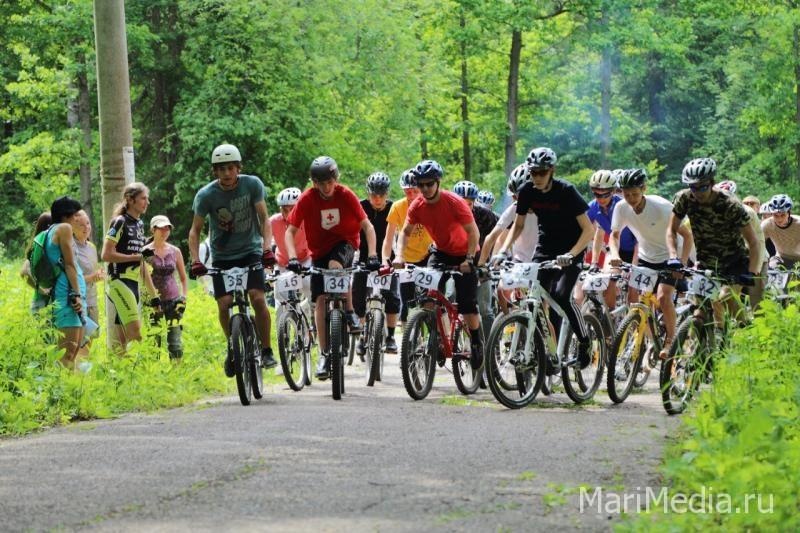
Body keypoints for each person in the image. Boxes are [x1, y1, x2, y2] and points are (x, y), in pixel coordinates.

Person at [493, 147, 594, 369]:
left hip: (572, 249)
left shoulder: (566, 191)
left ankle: (585, 342)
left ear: (552, 171)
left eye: (542, 172)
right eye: (533, 172)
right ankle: (544, 351)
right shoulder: (527, 191)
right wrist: (503, 251)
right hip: (545, 248)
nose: (537, 177)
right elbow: (518, 225)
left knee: (561, 296)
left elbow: (589, 230)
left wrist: (571, 254)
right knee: (534, 299)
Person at [285, 156, 379, 380]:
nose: (326, 187)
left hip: (345, 243)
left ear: (336, 179)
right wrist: (292, 257)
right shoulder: (307, 198)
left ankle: (349, 311)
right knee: (319, 300)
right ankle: (324, 353)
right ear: (314, 183)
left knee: (336, 266)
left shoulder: (346, 195)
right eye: (321, 183)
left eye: (330, 182)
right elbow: (290, 231)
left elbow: (367, 226)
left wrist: (373, 254)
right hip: (318, 251)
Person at [188, 143, 277, 376]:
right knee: (224, 303)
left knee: (257, 298)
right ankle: (232, 346)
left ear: (238, 168)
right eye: (221, 169)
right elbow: (195, 231)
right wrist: (196, 260)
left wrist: (267, 248)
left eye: (230, 168)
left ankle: (266, 349)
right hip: (222, 256)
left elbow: (264, 218)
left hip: (250, 251)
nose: (226, 173)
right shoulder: (206, 195)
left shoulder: (252, 185)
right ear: (215, 171)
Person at [394, 160, 484, 369]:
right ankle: (438, 338)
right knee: (429, 298)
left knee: (467, 304)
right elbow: (405, 232)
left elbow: (473, 232)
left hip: (465, 253)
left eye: (429, 184)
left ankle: (476, 341)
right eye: (421, 184)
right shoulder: (418, 205)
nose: (425, 189)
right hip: (441, 251)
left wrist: (469, 259)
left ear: (438, 182)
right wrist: (399, 256)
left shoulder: (454, 202)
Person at [609, 168, 693, 358]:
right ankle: (648, 340)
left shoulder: (662, 207)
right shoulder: (621, 207)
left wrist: (681, 263)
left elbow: (687, 236)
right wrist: (614, 253)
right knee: (639, 301)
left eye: (635, 194)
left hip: (670, 256)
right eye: (626, 194)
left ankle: (671, 341)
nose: (631, 198)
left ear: (644, 189)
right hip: (646, 256)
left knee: (663, 297)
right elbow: (614, 235)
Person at [666, 158, 760, 326]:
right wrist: (674, 257)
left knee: (725, 296)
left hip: (734, 262)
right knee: (699, 312)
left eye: (702, 187)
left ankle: (747, 330)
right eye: (693, 187)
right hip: (706, 262)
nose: (698, 193)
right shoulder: (684, 198)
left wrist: (751, 272)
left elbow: (753, 241)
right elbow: (671, 230)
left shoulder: (730, 204)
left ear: (712, 182)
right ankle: (705, 339)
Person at [102, 182, 158, 354]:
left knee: (121, 343)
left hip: (134, 283)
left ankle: (118, 370)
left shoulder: (139, 224)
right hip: (119, 281)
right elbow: (106, 254)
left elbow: (141, 263)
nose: (147, 202)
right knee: (136, 335)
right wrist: (136, 257)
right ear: (130, 199)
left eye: (147, 199)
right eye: (143, 198)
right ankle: (146, 368)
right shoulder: (120, 222)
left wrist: (154, 296)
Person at [478, 165, 538, 314]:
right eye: (514, 196)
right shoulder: (515, 208)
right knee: (501, 290)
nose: (516, 200)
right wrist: (482, 265)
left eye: (519, 196)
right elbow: (492, 237)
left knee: (539, 309)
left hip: (541, 259)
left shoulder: (546, 208)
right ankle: (511, 321)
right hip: (520, 260)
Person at [352, 172, 401, 354]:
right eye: (374, 195)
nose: (378, 199)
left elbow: (402, 233)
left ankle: (390, 336)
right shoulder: (360, 207)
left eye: (382, 195)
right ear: (368, 193)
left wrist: (399, 257)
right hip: (363, 257)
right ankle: (363, 333)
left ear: (387, 193)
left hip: (387, 258)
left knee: (392, 297)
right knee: (358, 294)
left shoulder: (393, 208)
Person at [582, 169, 637, 309]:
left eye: (605, 194)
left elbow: (639, 239)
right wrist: (594, 263)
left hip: (637, 249)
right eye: (596, 194)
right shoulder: (592, 207)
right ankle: (609, 317)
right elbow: (592, 234)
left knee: (633, 290)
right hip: (615, 250)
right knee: (609, 279)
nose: (601, 198)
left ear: (613, 191)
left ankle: (635, 316)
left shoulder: (624, 206)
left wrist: (634, 266)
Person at [383, 169, 433, 323]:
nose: (411, 195)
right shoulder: (397, 207)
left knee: (430, 300)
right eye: (407, 191)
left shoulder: (430, 205)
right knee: (407, 302)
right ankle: (408, 335)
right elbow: (388, 238)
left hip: (428, 255)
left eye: (415, 191)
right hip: (406, 259)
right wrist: (385, 260)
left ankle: (435, 332)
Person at [452, 180, 498, 336]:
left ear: (474, 202)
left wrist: (494, 257)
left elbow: (500, 234)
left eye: (469, 204)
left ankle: (490, 346)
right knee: (450, 298)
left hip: (480, 263)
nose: (465, 208)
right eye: (461, 204)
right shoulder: (449, 215)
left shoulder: (485, 215)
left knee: (485, 309)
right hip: (457, 263)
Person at [47, 196, 87, 367]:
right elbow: (69, 265)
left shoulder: (52, 230)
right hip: (68, 296)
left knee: (73, 352)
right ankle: (60, 385)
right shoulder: (64, 228)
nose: (78, 218)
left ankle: (69, 384)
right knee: (67, 353)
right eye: (75, 215)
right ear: (65, 215)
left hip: (70, 295)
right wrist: (76, 294)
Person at [142, 215, 188, 359]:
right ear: (153, 229)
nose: (164, 231)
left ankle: (177, 370)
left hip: (174, 300)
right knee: (153, 341)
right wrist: (150, 297)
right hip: (152, 301)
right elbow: (141, 276)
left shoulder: (175, 251)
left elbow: (183, 278)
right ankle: (154, 371)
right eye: (161, 228)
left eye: (167, 228)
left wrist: (184, 297)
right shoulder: (145, 251)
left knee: (175, 341)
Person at [716, 181, 767, 309]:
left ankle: (755, 321)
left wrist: (754, 268)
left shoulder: (746, 211)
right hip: (731, 258)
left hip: (754, 255)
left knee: (756, 299)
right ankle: (726, 322)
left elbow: (757, 241)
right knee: (720, 297)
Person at [73, 210, 104, 329]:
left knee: (91, 337)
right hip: (78, 302)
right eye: (81, 225)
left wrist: (99, 274)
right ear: (72, 227)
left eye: (88, 223)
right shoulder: (70, 247)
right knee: (80, 338)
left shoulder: (92, 247)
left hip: (92, 300)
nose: (86, 227)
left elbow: (92, 272)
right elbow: (70, 277)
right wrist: (92, 277)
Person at [20, 211, 53, 314]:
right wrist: (42, 290)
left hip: (40, 303)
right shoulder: (40, 248)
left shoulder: (35, 246)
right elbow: (24, 272)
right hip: (44, 304)